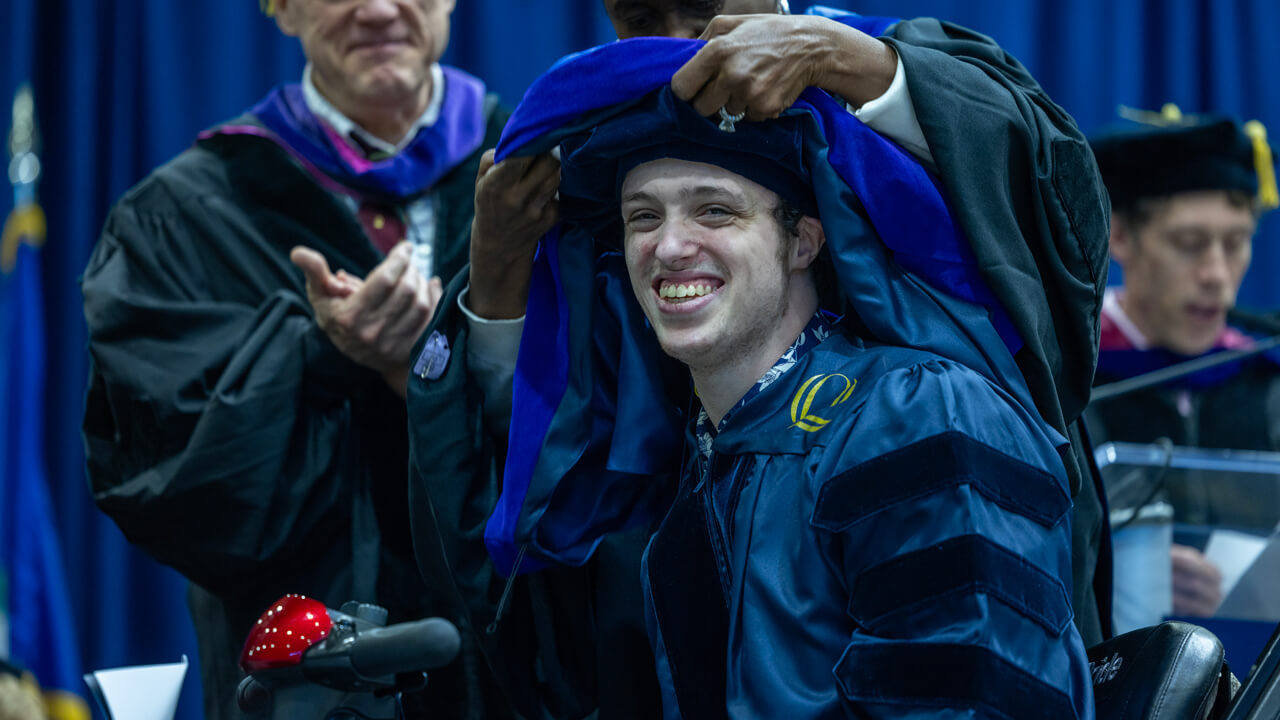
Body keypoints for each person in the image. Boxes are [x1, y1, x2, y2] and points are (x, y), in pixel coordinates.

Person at [408, 14, 1104, 717]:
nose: (671, 246)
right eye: (642, 218)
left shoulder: (918, 416)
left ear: (805, 240)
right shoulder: (695, 456)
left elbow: (972, 698)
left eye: (716, 211)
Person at [79, 0, 523, 717]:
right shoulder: (183, 216)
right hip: (302, 690)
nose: (379, 8)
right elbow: (168, 485)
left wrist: (434, 369)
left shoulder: (542, 172)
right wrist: (318, 357)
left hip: (526, 674)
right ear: (278, 7)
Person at [1085, 106, 1279, 623]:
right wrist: (1111, 567)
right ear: (1120, 236)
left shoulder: (1266, 377)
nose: (1217, 274)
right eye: (1189, 244)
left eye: (1236, 243)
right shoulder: (1067, 377)